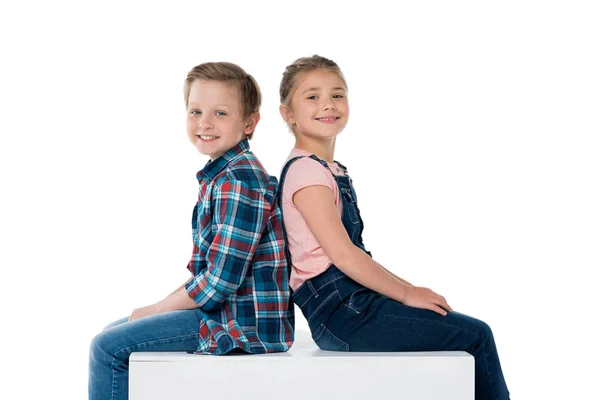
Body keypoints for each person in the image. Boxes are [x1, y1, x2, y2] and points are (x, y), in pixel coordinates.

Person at [276, 54, 510, 400]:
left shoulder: (329, 169)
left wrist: (409, 287)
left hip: (353, 304)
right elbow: (343, 255)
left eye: (337, 95)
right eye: (312, 96)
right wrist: (405, 294)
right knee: (476, 334)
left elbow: (355, 254)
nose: (328, 104)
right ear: (288, 114)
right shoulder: (306, 174)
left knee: (457, 328)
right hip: (341, 315)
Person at [89, 62, 294, 400]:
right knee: (116, 330)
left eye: (220, 113)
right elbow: (207, 273)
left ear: (249, 123)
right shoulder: (222, 174)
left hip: (241, 324)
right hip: (223, 312)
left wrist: (157, 309)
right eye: (196, 111)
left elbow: (218, 284)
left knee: (107, 349)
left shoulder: (238, 181)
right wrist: (158, 305)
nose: (205, 123)